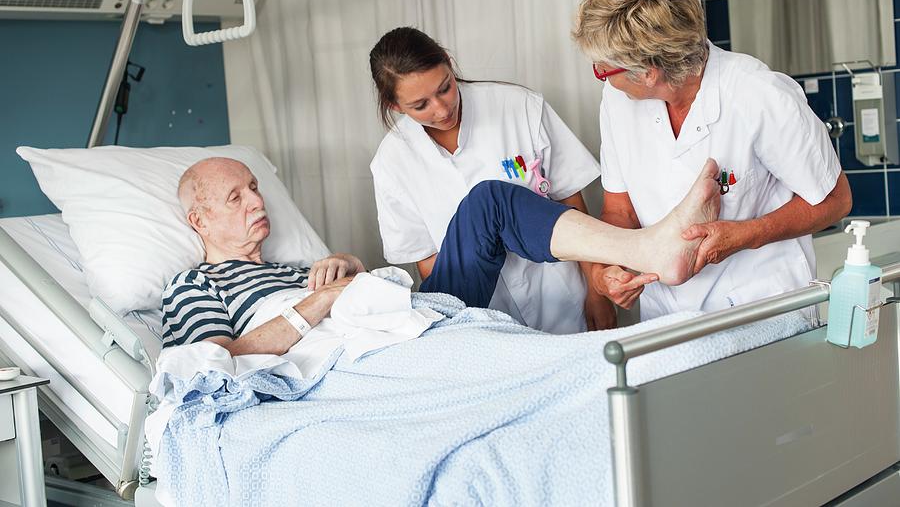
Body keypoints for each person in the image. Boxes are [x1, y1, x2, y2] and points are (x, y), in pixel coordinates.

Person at [160, 156, 721, 353]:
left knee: (489, 201)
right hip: (360, 345)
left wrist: (349, 269)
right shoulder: (194, 286)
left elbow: (362, 291)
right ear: (199, 220)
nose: (258, 201)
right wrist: (319, 304)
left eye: (256, 187)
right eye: (236, 197)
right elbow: (218, 362)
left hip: (408, 310)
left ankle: (648, 248)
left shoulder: (298, 264)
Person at [570, 0, 853, 321]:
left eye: (603, 69)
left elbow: (835, 199)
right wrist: (609, 270)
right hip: (667, 318)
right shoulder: (617, 102)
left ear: (648, 72)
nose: (600, 74)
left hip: (762, 308)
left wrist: (743, 235)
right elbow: (620, 211)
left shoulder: (758, 93)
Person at [368, 27, 612, 334]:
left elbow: (571, 203)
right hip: (485, 320)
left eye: (445, 88)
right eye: (421, 105)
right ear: (395, 105)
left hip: (562, 297)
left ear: (448, 62)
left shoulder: (518, 106)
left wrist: (596, 290)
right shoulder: (392, 162)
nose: (442, 109)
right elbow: (430, 263)